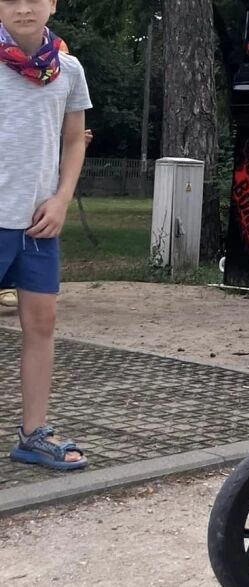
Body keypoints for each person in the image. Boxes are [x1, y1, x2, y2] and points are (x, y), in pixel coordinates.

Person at [1, 0, 92, 470]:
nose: (22, 8)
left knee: (41, 325)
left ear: (52, 4)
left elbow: (74, 140)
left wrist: (61, 199)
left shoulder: (68, 69)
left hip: (38, 222)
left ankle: (33, 434)